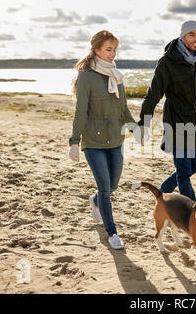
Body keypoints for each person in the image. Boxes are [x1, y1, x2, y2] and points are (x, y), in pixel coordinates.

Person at [137, 20, 196, 202]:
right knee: (184, 173)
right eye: (192, 35)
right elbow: (152, 96)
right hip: (176, 123)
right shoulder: (167, 63)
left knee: (193, 167)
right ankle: (193, 212)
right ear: (183, 36)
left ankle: (161, 193)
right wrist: (143, 123)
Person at [68, 30, 136, 250]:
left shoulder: (116, 75)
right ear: (96, 50)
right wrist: (74, 142)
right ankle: (112, 233)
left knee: (112, 186)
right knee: (105, 188)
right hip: (94, 142)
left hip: (116, 138)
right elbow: (80, 112)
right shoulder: (86, 77)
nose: (113, 54)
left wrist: (136, 128)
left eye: (115, 50)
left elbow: (123, 108)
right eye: (108, 49)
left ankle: (95, 200)